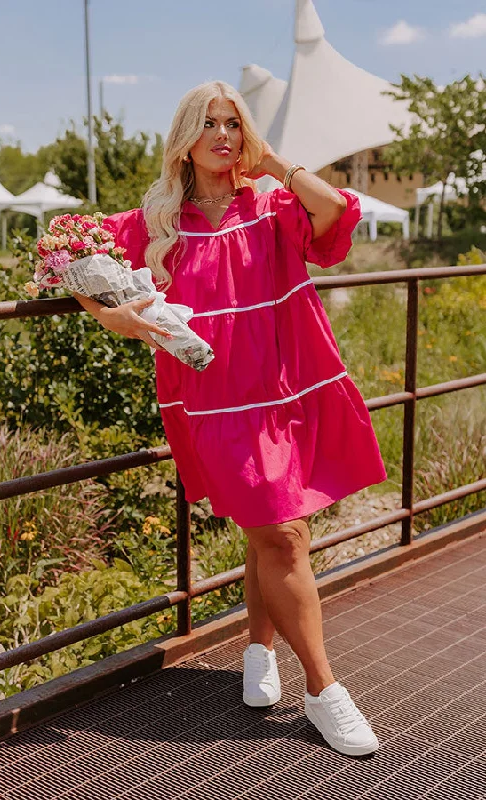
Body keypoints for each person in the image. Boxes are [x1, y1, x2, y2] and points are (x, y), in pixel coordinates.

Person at [73, 80, 387, 758]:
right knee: (280, 532)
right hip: (213, 400)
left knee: (273, 532)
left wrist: (273, 161)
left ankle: (255, 653)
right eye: (208, 123)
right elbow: (72, 263)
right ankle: (324, 690)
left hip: (282, 393)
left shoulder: (272, 203)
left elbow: (335, 214)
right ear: (184, 138)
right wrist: (111, 316)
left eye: (233, 123)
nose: (222, 134)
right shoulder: (152, 221)